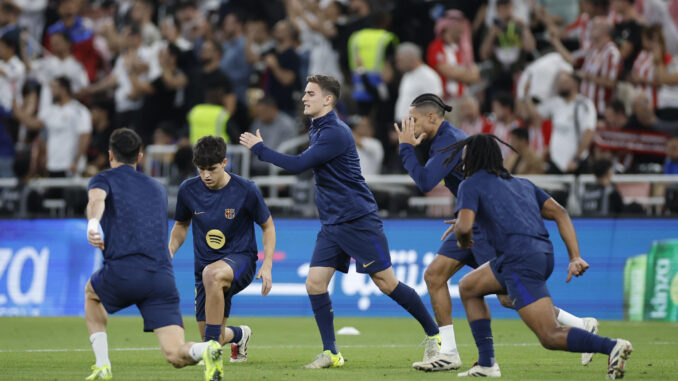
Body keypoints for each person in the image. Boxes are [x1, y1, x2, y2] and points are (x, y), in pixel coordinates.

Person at [240, 75, 440, 369]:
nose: (304, 98)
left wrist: (260, 148)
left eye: (310, 93)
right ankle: (331, 353)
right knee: (315, 283)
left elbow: (298, 166)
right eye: (304, 93)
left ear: (328, 99)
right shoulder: (318, 129)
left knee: (386, 283)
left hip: (358, 219)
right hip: (333, 223)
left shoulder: (335, 132)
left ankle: (436, 339)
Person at [394, 94, 596, 372]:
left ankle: (579, 325)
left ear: (432, 117)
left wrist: (405, 149)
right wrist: (464, 216)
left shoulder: (448, 140)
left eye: (413, 119)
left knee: (505, 295)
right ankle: (449, 352)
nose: (409, 125)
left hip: (483, 228)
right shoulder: (445, 138)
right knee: (434, 276)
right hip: (470, 222)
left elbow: (426, 181)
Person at [441, 134, 633, 378]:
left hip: (518, 260)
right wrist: (575, 256)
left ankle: (611, 346)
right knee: (468, 287)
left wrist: (462, 234)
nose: (463, 162)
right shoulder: (522, 184)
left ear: (474, 158)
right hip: (541, 253)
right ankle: (486, 363)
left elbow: (465, 228)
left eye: (465, 157)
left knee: (549, 335)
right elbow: (561, 213)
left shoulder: (470, 185)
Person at [84, 128, 223, 381]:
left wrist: (93, 225)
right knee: (175, 354)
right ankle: (204, 349)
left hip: (124, 270)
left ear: (110, 155)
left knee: (91, 296)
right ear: (140, 156)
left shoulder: (103, 179)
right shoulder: (157, 189)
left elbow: (97, 201)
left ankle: (102, 365)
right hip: (161, 278)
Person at [169, 135, 275, 363]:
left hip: (241, 261)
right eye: (201, 169)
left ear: (225, 163)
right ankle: (239, 335)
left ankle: (211, 359)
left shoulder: (246, 190)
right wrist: (169, 251)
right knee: (212, 334)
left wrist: (267, 264)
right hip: (204, 269)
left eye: (212, 169)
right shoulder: (188, 190)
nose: (206, 175)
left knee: (212, 275)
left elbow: (267, 226)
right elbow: (180, 226)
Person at [393, 42, 443, 122]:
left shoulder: (428, 76)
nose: (397, 65)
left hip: (417, 126)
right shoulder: (407, 74)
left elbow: (436, 103)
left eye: (400, 60)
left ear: (411, 58)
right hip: (403, 124)